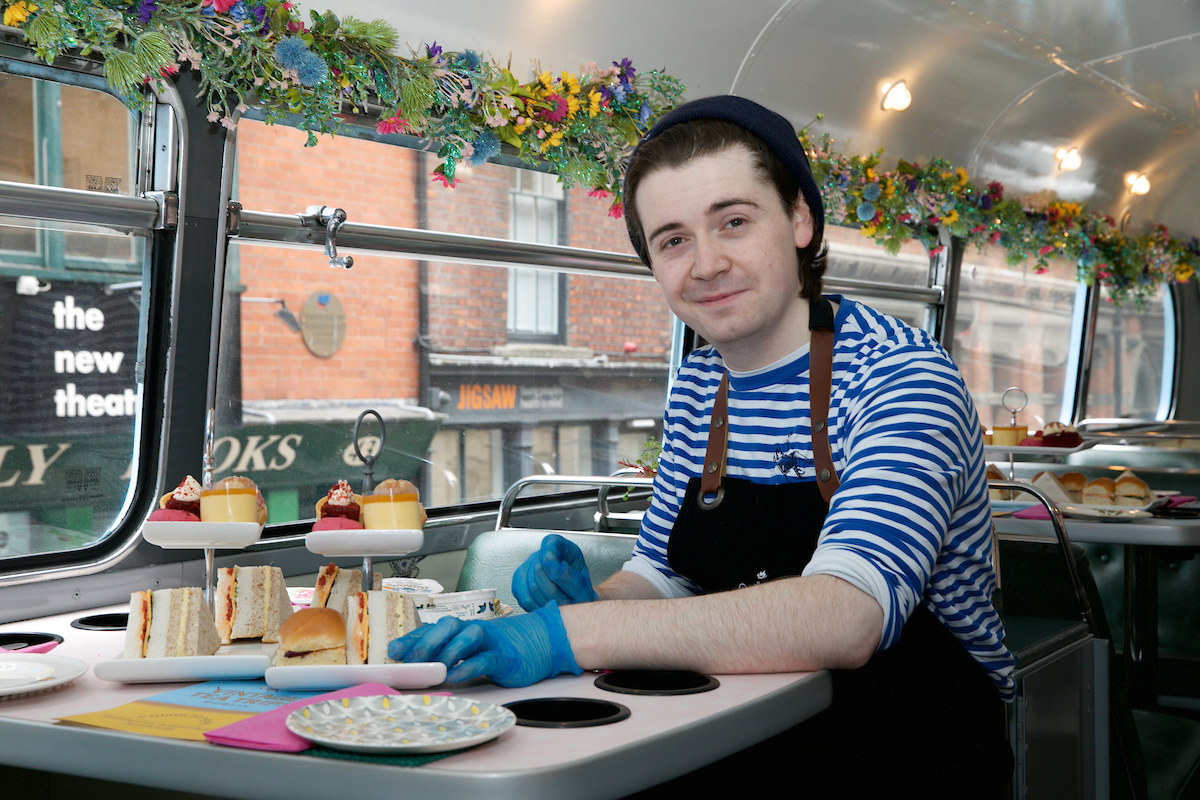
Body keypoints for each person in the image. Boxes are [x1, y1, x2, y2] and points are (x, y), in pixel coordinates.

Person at [390, 95, 1015, 796]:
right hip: (742, 728)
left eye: (734, 222)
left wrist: (568, 634)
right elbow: (665, 572)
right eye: (673, 239)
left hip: (911, 745)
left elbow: (848, 617)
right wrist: (600, 594)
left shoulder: (900, 376)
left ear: (801, 221)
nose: (707, 263)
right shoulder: (698, 387)